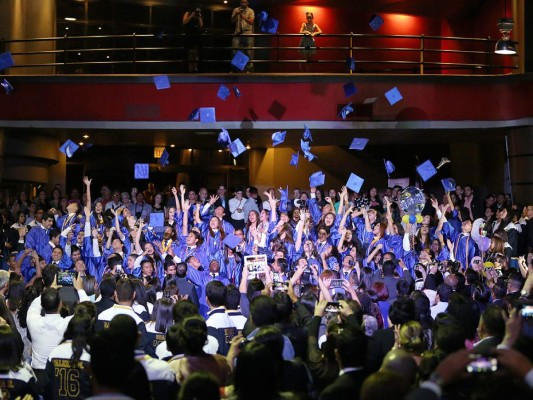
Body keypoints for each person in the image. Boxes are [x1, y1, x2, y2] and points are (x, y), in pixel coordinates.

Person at [231, 0, 254, 72]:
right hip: (237, 33)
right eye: (242, 2)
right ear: (240, 3)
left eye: (245, 2)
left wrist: (243, 16)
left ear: (248, 3)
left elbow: (251, 22)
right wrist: (236, 14)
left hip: (247, 33)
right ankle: (236, 69)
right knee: (234, 51)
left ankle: (248, 70)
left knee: (248, 52)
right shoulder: (236, 9)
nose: (243, 4)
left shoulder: (250, 11)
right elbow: (232, 21)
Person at [183, 5, 204, 73]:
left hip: (197, 36)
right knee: (189, 53)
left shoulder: (199, 15)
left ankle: (195, 69)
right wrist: (191, 15)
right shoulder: (188, 13)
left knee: (196, 53)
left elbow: (201, 25)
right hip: (189, 35)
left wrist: (199, 17)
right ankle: (189, 69)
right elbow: (184, 22)